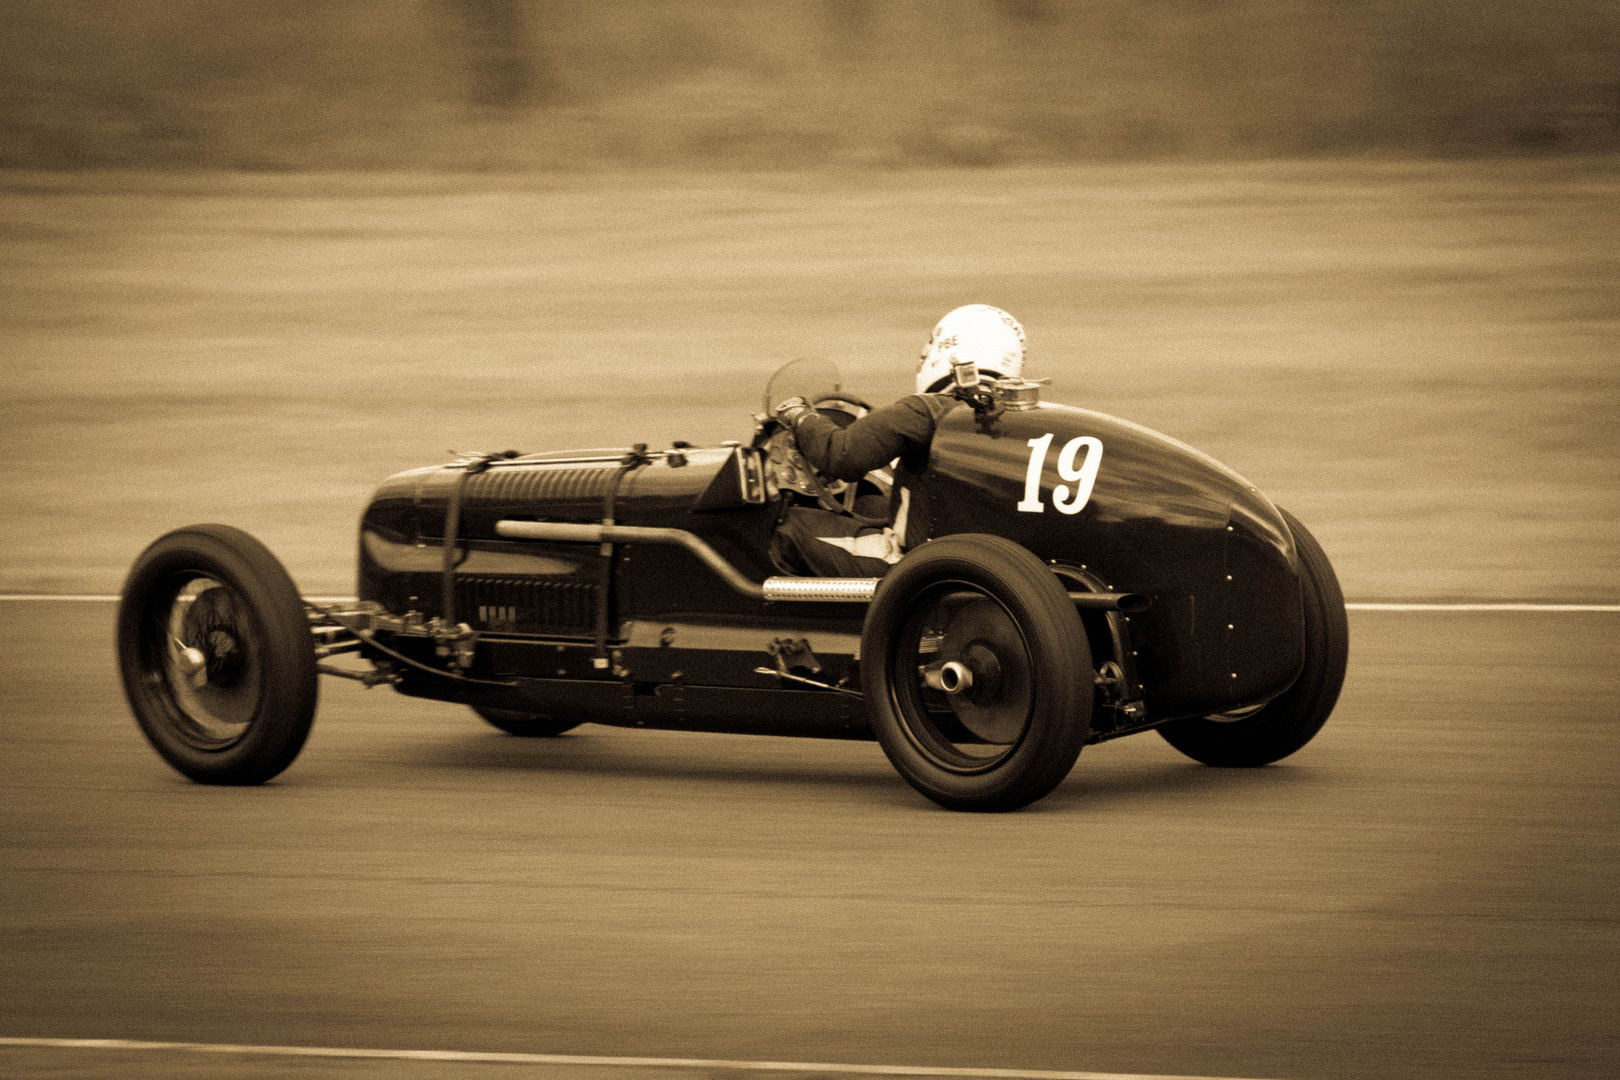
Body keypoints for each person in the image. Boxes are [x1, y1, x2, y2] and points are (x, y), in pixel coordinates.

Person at [768, 304, 1027, 577]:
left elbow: (841, 455)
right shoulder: (1018, 418)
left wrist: (799, 415)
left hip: (918, 565)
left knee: (789, 528)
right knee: (868, 505)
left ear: (947, 353)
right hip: (991, 564)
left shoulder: (930, 411)